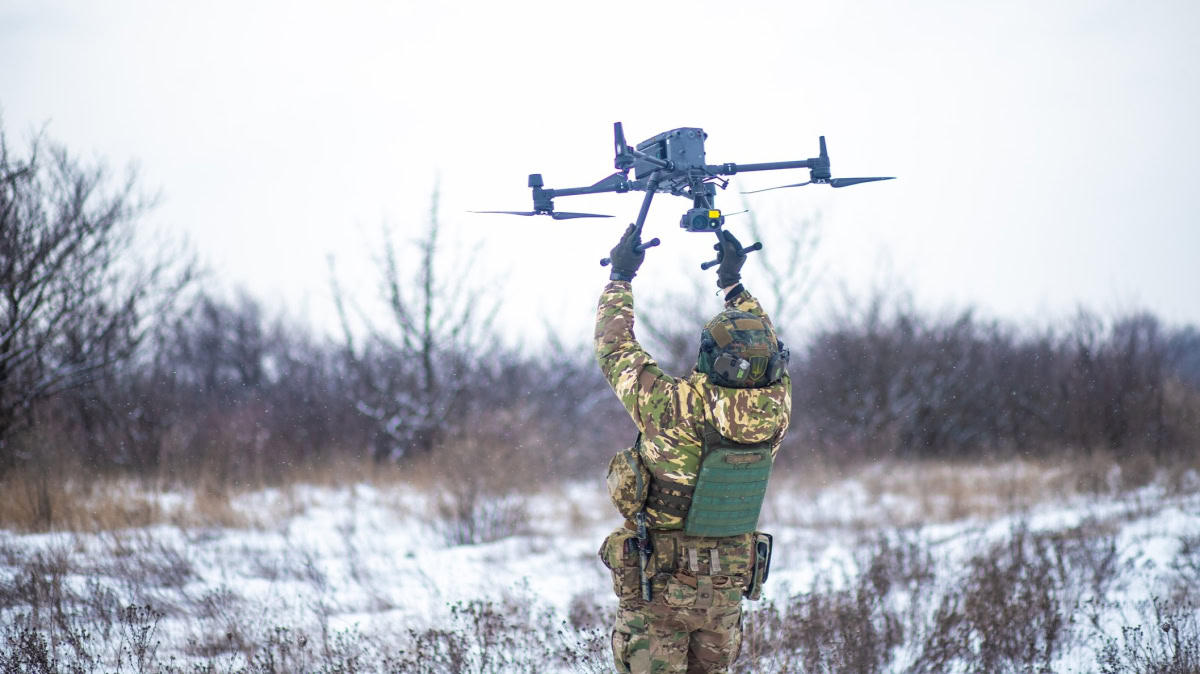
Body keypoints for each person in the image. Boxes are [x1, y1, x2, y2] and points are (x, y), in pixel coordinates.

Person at [595, 223, 792, 674]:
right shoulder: (778, 405)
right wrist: (733, 283)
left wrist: (620, 278)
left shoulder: (674, 405)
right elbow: (764, 341)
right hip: (725, 587)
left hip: (659, 585)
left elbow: (615, 349)